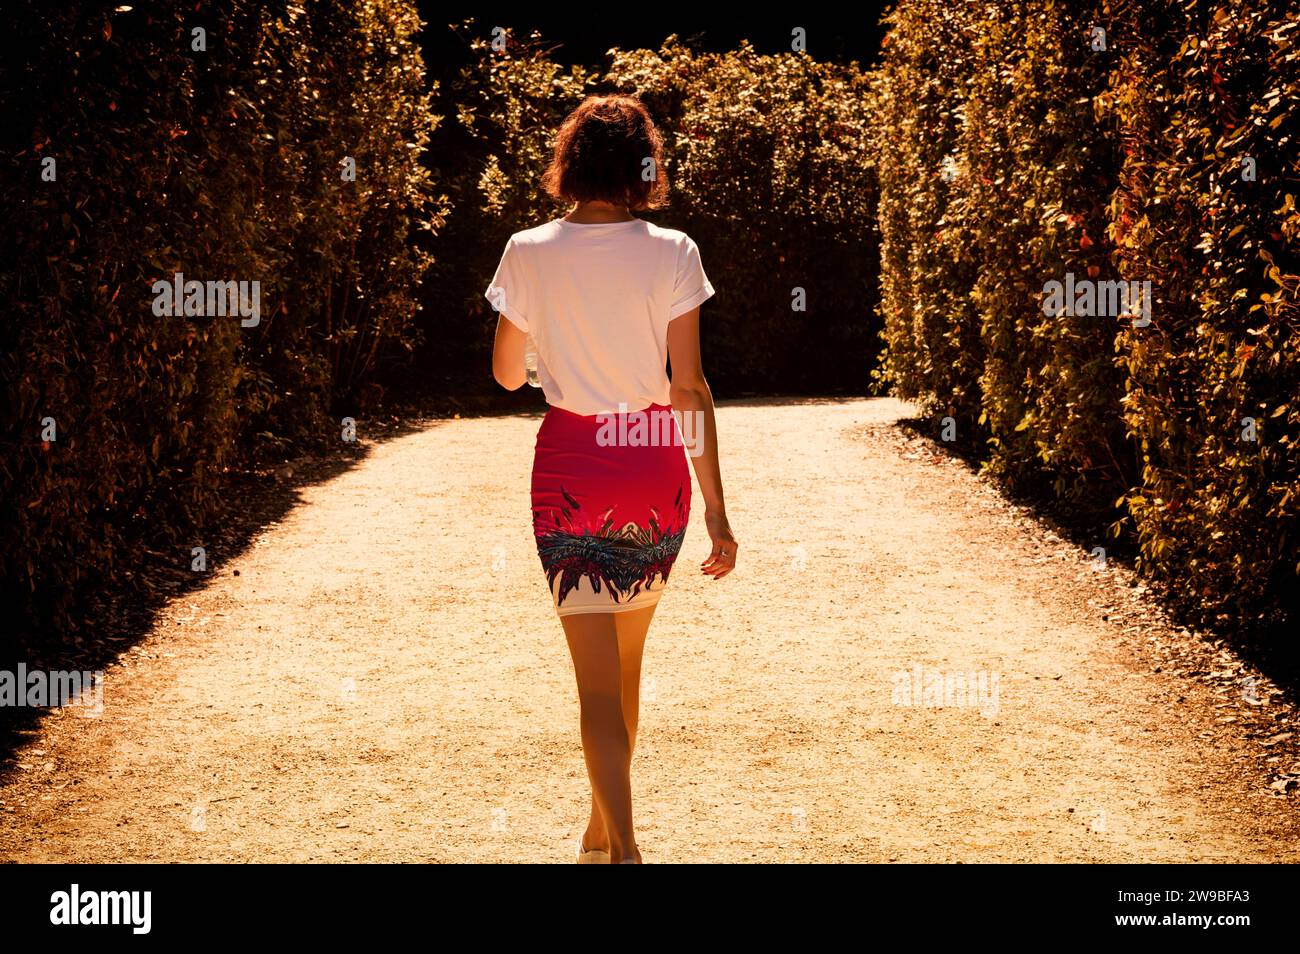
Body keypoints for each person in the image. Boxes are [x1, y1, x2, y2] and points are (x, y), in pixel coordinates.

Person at [485, 94, 737, 863]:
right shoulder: (675, 251)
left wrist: (552, 356)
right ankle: (602, 834)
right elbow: (688, 387)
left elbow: (503, 376)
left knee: (594, 682)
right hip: (654, 466)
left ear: (570, 162)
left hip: (571, 465)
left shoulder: (527, 251)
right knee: (627, 669)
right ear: (643, 167)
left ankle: (621, 849)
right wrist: (720, 515)